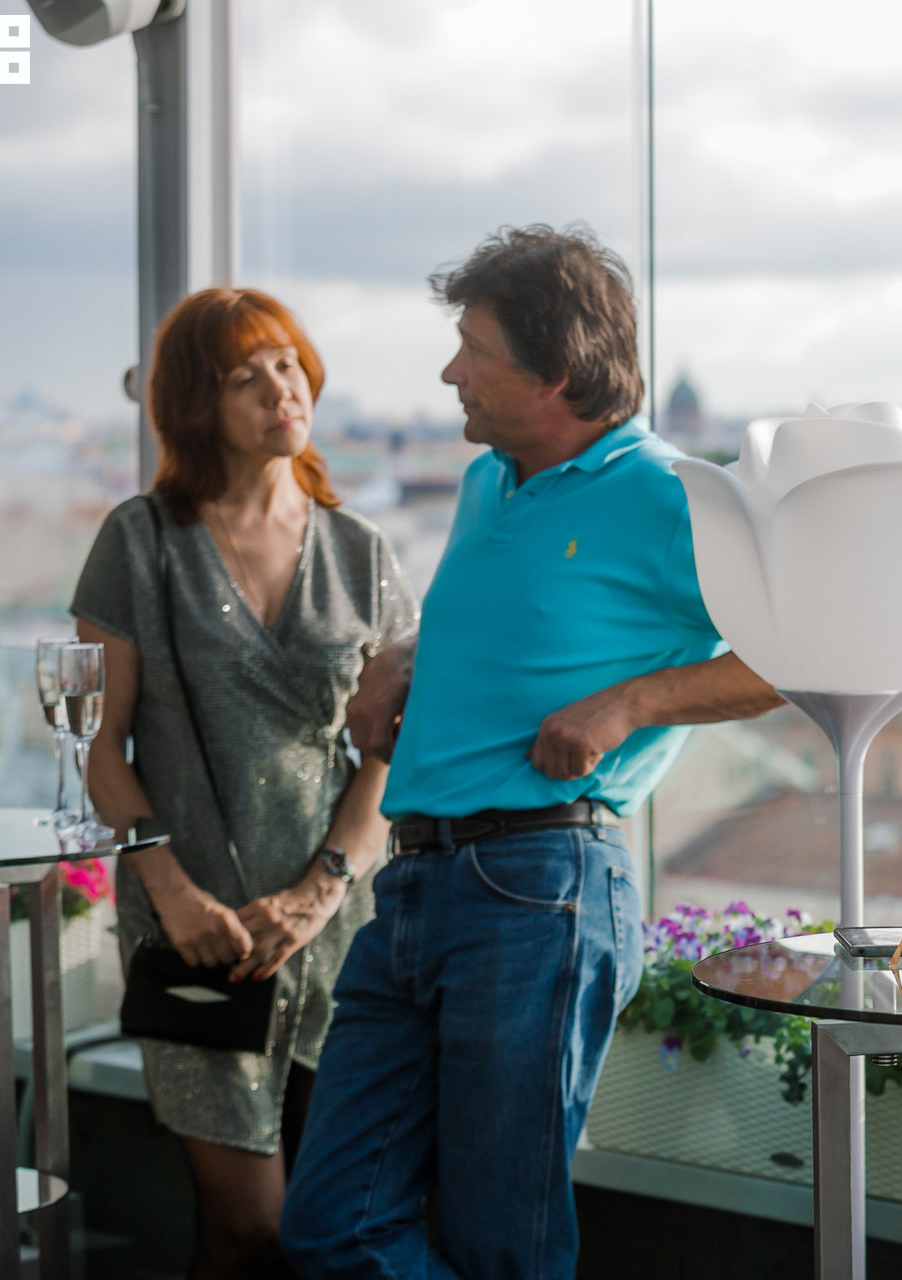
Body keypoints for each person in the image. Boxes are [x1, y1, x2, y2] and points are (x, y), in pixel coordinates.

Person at [277, 224, 780, 1280]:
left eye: (474, 348)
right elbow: (521, 620)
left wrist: (631, 702)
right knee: (328, 1228)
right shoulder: (485, 482)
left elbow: (804, 661)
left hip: (538, 890)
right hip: (412, 887)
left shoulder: (671, 496)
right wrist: (405, 659)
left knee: (502, 1245)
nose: (450, 371)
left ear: (555, 371)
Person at [74, 288, 418, 1280]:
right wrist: (170, 892)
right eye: (243, 376)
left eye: (287, 363)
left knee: (322, 1227)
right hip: (196, 933)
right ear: (196, 402)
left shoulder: (361, 552)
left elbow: (388, 750)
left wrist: (321, 890)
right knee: (248, 1226)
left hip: (332, 928)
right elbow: (100, 747)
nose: (280, 389)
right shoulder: (139, 540)